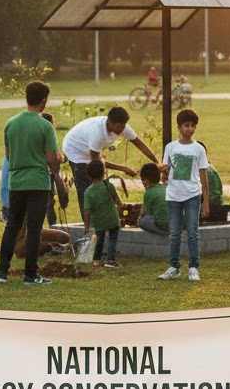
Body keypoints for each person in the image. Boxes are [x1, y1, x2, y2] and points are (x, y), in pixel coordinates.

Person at [0, 81, 60, 286]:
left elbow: (8, 154)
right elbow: (52, 159)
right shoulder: (45, 126)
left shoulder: (11, 123)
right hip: (38, 182)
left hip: (16, 182)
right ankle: (30, 275)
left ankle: (1, 272)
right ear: (44, 101)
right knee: (33, 228)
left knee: (12, 225)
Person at [61, 107, 159, 212]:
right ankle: (89, 223)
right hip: (75, 150)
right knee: (86, 189)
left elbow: (138, 143)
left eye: (123, 126)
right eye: (118, 127)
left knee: (100, 186)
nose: (121, 130)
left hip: (91, 150)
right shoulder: (97, 133)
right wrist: (123, 168)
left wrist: (156, 162)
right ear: (110, 122)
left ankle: (102, 217)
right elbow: (97, 163)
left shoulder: (122, 126)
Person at [158, 108, 209, 282]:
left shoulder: (198, 149)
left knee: (193, 232)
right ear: (179, 127)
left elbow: (203, 175)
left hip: (192, 195)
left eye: (193, 126)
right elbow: (166, 171)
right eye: (186, 125)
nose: (190, 129)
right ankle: (174, 267)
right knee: (174, 233)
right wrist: (163, 173)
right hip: (173, 196)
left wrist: (206, 201)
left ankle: (193, 268)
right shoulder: (170, 147)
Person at [83, 159, 124, 268]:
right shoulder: (109, 186)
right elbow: (120, 204)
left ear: (89, 176)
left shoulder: (88, 192)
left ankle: (96, 260)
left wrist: (86, 226)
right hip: (112, 219)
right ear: (103, 172)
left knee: (99, 240)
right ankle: (110, 260)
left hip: (98, 222)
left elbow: (87, 211)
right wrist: (119, 217)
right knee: (112, 239)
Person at [137, 163, 168, 235]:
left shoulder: (148, 193)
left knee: (141, 220)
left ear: (146, 181)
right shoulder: (166, 187)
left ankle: (164, 231)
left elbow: (143, 213)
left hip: (164, 228)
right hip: (176, 225)